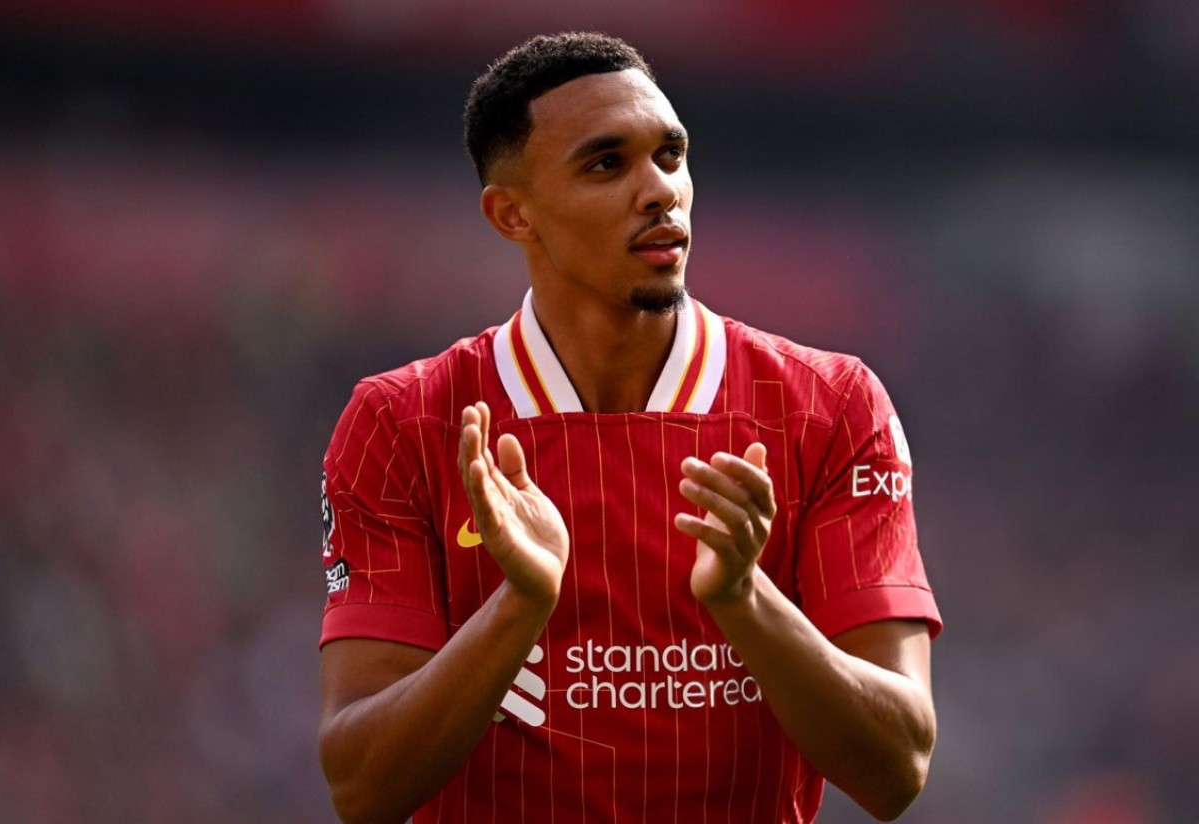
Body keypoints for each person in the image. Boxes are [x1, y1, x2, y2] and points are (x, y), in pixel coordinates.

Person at [317, 32, 941, 824]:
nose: (660, 191)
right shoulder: (403, 422)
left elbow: (898, 768)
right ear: (513, 213)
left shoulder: (830, 406)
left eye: (671, 156)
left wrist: (746, 599)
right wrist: (518, 606)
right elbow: (362, 788)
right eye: (606, 164)